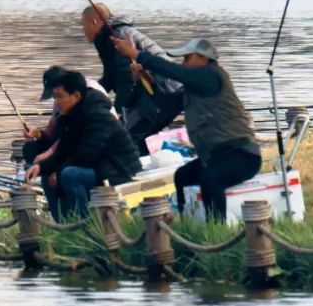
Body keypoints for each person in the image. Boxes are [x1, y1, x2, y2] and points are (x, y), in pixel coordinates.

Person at [112, 36, 261, 222]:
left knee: (211, 179)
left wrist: (136, 54)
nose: (184, 63)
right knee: (182, 176)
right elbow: (164, 105)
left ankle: (217, 232)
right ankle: (187, 223)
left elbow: (173, 71)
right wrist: (146, 79)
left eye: (187, 58)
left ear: (203, 58)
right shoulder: (193, 90)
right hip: (216, 156)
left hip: (241, 154)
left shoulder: (212, 75)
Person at [24, 70, 140, 220]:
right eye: (55, 97)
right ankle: (64, 225)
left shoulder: (97, 113)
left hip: (117, 167)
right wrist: (42, 167)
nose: (56, 102)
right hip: (98, 166)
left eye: (60, 97)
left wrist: (58, 172)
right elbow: (64, 148)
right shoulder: (73, 113)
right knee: (47, 176)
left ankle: (84, 225)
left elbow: (87, 154)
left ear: (76, 96)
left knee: (69, 175)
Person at [82, 4, 182, 156]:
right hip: (155, 91)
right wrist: (86, 94)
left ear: (94, 22)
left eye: (84, 24)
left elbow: (126, 81)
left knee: (128, 135)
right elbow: (110, 78)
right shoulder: (107, 37)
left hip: (163, 90)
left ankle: (137, 168)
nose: (83, 30)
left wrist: (118, 112)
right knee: (133, 132)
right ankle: (149, 158)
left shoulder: (118, 36)